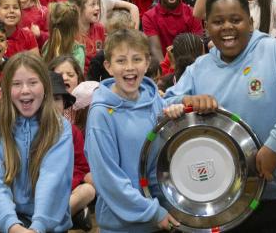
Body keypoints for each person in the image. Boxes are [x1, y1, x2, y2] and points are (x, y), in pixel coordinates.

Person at [166, 0, 276, 231]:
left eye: (235, 20)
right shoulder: (200, 68)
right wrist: (189, 101)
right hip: (228, 202)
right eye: (218, 22)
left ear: (250, 23)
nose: (227, 27)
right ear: (206, 27)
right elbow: (165, 105)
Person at [86, 29, 214, 231]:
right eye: (121, 61)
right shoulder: (101, 114)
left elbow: (165, 119)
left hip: (162, 217)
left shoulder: (153, 99)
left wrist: (179, 109)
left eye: (137, 59)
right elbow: (108, 179)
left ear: (147, 63)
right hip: (124, 226)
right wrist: (151, 211)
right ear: (108, 67)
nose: (129, 67)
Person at [0, 53, 74, 233]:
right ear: (6, 89)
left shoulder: (60, 127)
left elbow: (52, 179)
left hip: (49, 223)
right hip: (7, 224)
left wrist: (38, 227)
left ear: (45, 86)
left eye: (32, 82)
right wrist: (12, 225)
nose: (25, 90)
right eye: (16, 84)